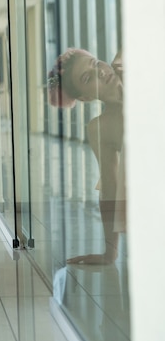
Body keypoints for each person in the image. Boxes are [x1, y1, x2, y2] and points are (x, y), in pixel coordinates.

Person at [48, 48, 124, 264]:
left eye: (96, 62)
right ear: (85, 96)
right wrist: (110, 253)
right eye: (88, 77)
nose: (100, 72)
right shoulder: (101, 128)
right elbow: (110, 188)